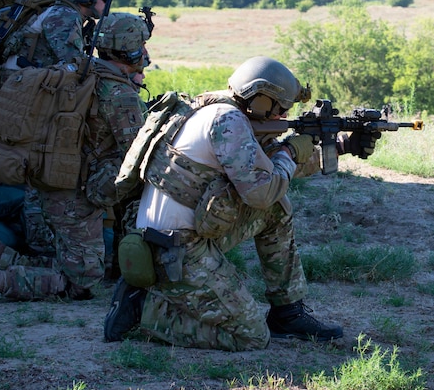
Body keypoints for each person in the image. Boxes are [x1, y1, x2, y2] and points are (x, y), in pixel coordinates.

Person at [103, 56, 377, 351]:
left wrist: (343, 146)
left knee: (276, 210)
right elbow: (262, 189)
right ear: (261, 101)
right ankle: (145, 310)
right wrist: (288, 151)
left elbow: (263, 172)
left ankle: (287, 312)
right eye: (280, 110)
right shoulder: (227, 121)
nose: (282, 118)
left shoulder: (211, 107)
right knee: (251, 336)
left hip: (182, 236)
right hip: (175, 250)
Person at [0, 13, 150, 309]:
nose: (145, 53)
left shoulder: (78, 72)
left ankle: (3, 258)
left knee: (72, 257)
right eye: (141, 47)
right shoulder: (119, 93)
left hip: (51, 179)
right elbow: (137, 151)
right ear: (130, 51)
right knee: (82, 283)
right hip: (76, 194)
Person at [0, 0, 123, 256]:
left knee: (37, 168)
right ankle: (40, 246)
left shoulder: (64, 14)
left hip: (29, 100)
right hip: (29, 105)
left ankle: (40, 240)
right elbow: (74, 67)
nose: (107, 5)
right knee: (37, 168)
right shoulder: (64, 16)